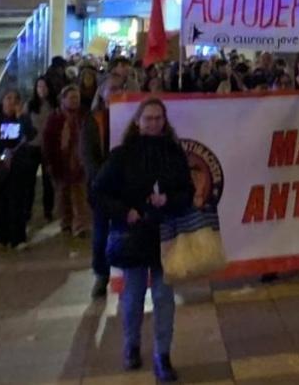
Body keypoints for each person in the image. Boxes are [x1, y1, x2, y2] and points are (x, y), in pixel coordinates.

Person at [92, 98, 194, 382]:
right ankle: (131, 346)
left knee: (164, 298)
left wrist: (169, 199)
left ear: (165, 121)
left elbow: (188, 191)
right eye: (148, 118)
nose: (153, 123)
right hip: (133, 237)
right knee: (133, 296)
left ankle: (163, 355)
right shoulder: (121, 155)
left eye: (158, 118)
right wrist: (126, 212)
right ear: (138, 121)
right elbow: (98, 192)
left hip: (165, 236)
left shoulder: (174, 153)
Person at [85, 57, 130, 299]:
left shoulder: (130, 117)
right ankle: (101, 275)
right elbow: (89, 156)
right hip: (102, 187)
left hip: (124, 187)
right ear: (102, 93)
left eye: (119, 88)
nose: (116, 92)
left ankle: (124, 273)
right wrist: (101, 180)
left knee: (124, 231)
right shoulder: (93, 121)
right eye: (112, 89)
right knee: (101, 233)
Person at [0, 90, 38, 249]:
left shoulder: (22, 119)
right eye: (8, 98)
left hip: (18, 165)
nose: (12, 102)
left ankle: (18, 238)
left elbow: (30, 134)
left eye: (16, 99)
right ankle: (1, 237)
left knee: (17, 201)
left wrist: (21, 117)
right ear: (2, 101)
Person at [42, 85, 91, 237]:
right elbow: (48, 141)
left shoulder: (84, 116)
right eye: (71, 98)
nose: (75, 101)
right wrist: (49, 162)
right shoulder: (55, 118)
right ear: (63, 100)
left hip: (79, 161)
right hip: (60, 161)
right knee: (63, 195)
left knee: (80, 194)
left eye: (77, 97)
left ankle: (81, 225)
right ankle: (66, 223)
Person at [27, 76, 58, 222]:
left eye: (44, 87)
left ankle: (48, 210)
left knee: (48, 181)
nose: (42, 90)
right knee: (29, 181)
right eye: (39, 87)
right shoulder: (30, 105)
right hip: (32, 146)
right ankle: (27, 211)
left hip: (49, 146)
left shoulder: (55, 104)